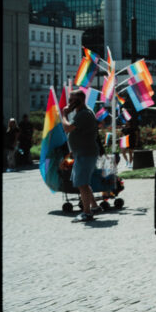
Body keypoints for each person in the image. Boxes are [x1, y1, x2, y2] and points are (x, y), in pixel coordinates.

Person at [59, 90, 100, 222]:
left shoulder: (84, 114)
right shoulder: (81, 113)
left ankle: (87, 213)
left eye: (72, 100)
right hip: (81, 152)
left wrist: (64, 114)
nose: (69, 103)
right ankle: (94, 206)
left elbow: (67, 128)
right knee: (83, 182)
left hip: (85, 153)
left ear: (80, 100)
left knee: (82, 183)